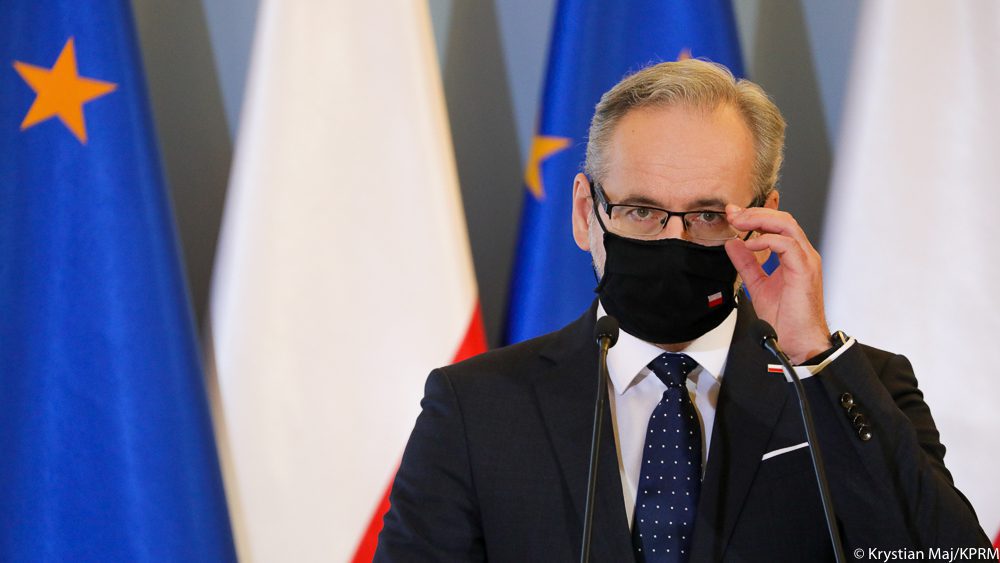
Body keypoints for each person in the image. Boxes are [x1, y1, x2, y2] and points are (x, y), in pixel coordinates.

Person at [373, 60, 993, 562]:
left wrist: (813, 361)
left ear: (762, 221)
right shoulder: (477, 408)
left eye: (708, 216)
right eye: (641, 211)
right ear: (587, 214)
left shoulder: (858, 389)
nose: (674, 239)